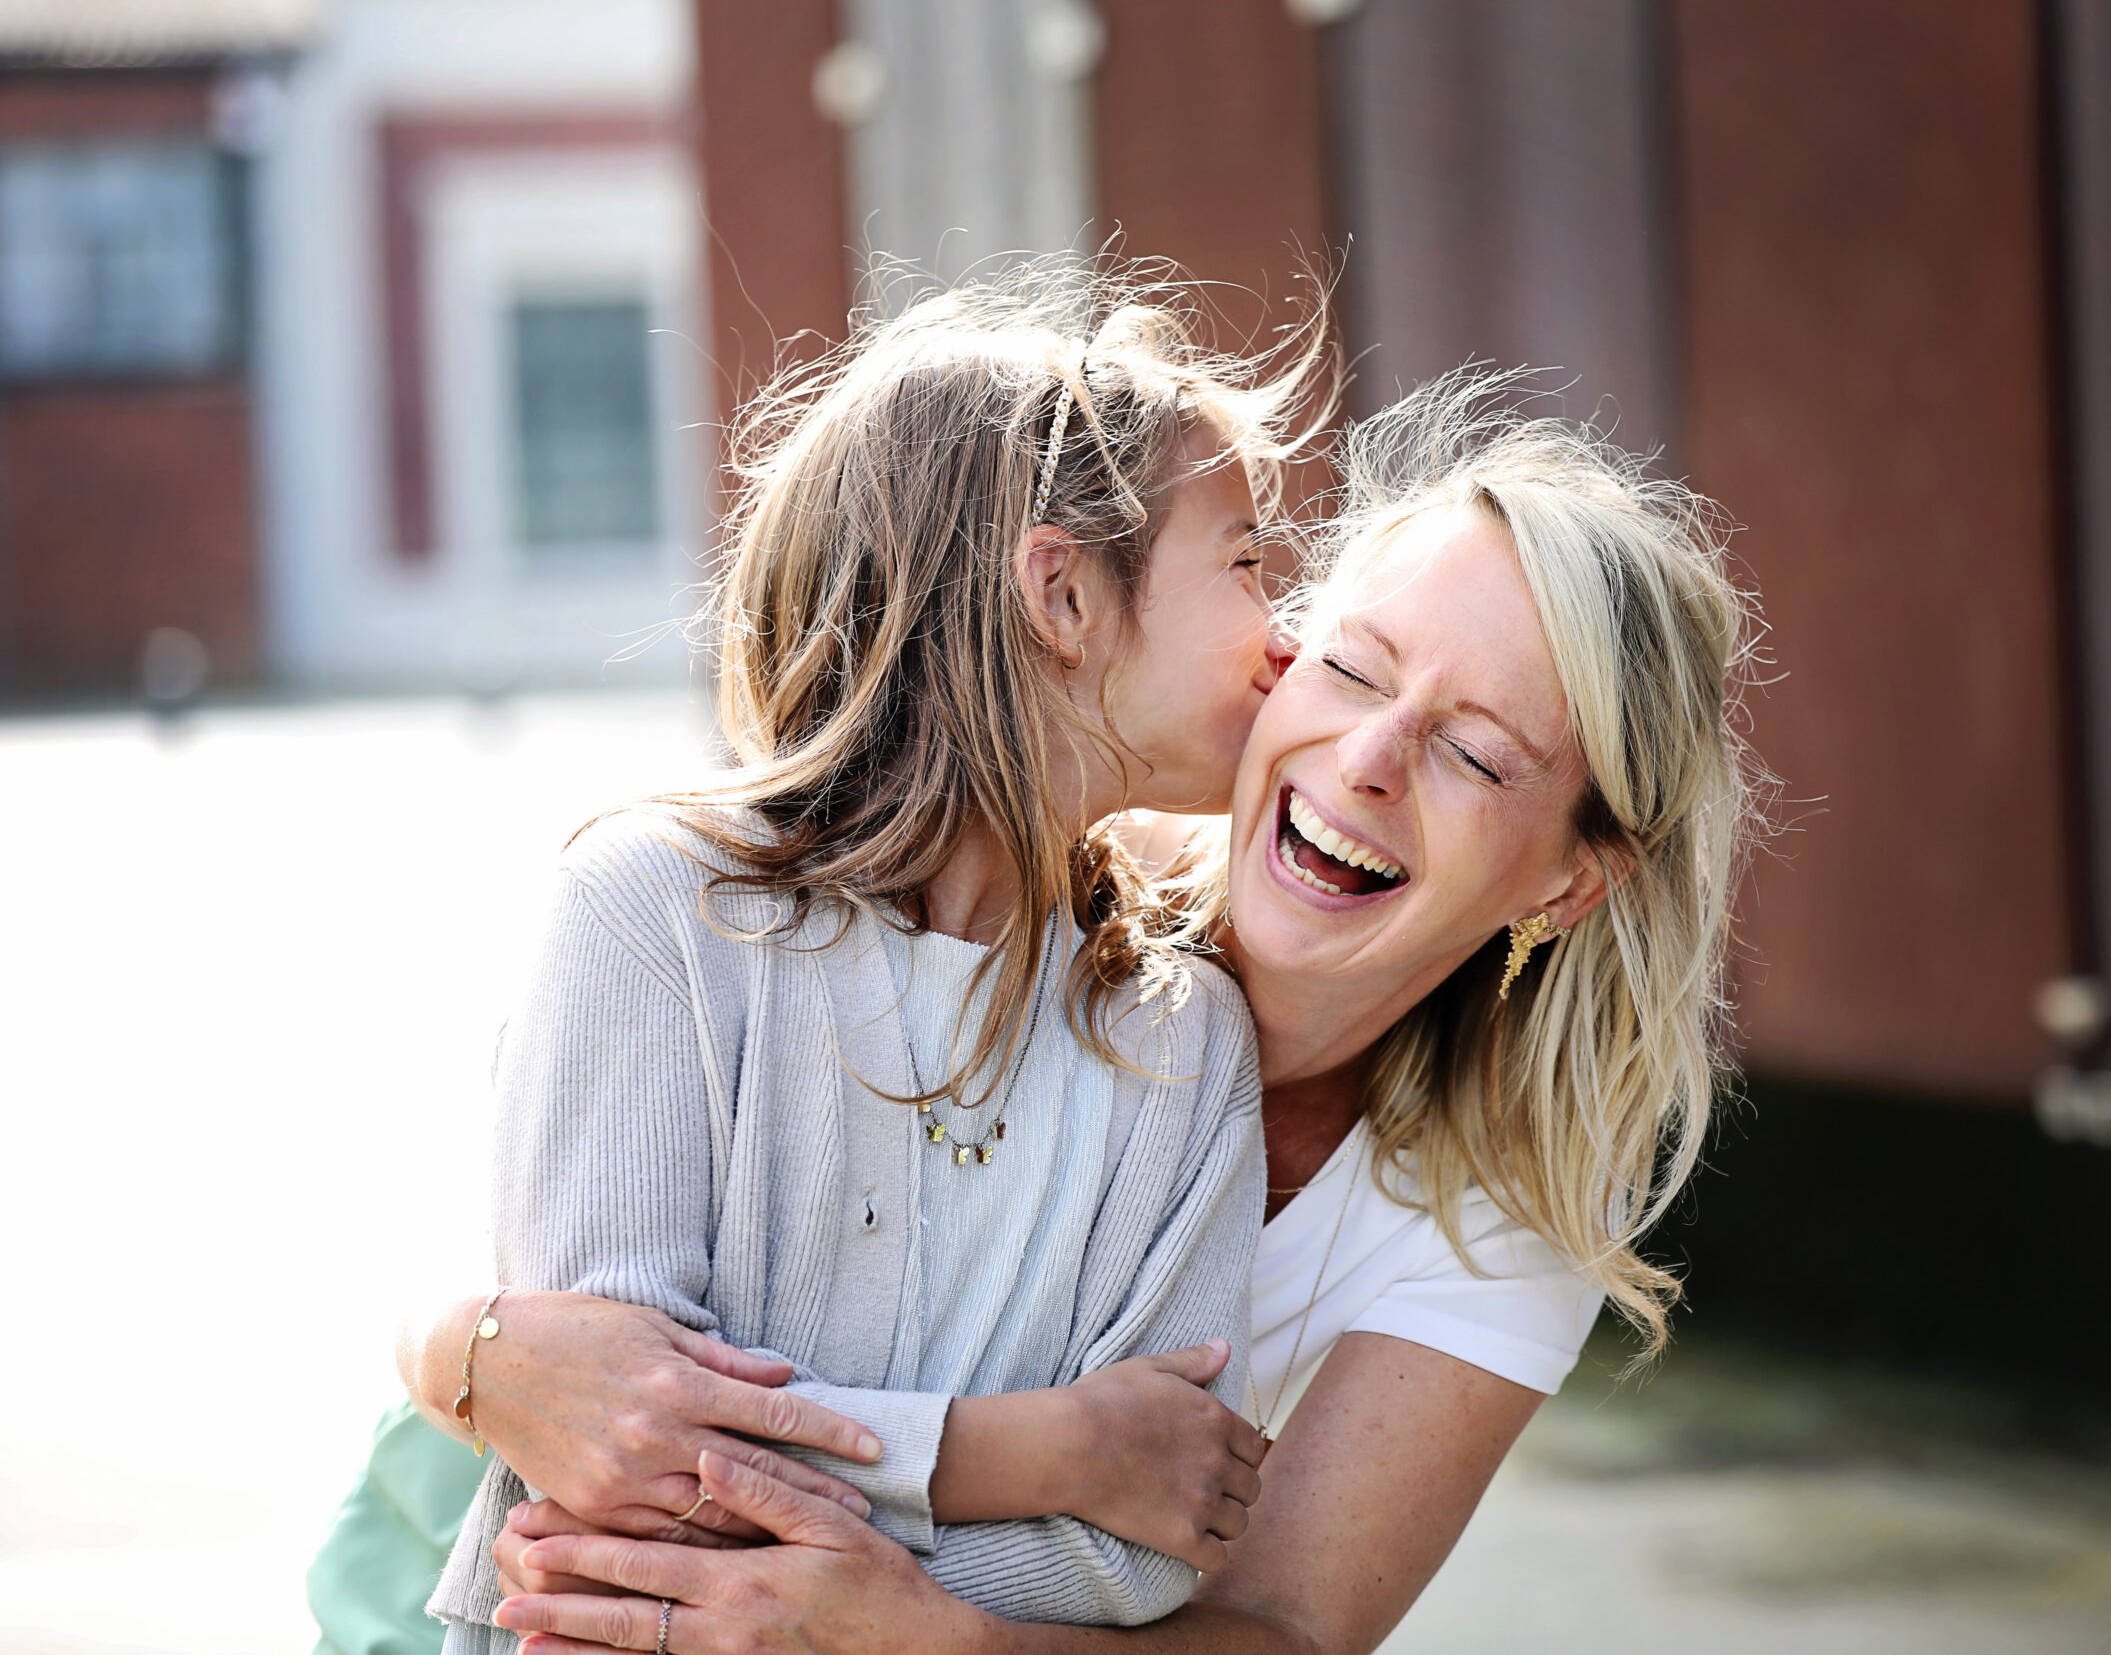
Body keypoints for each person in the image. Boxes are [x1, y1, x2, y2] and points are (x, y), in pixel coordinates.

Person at [450, 370, 1760, 1655]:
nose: (1370, 763)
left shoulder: (1222, 1075)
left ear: (1574, 877)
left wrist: (919, 1638)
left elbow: (1241, 1609)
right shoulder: (793, 910)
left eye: (1478, 754)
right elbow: (589, 1395)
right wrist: (456, 1345)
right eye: (1352, 668)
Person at [312, 260, 1340, 1655]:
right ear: (1064, 593)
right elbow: (620, 1491)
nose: (1289, 642)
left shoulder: (1188, 1040)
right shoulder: (652, 915)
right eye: (1244, 563)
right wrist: (1027, 1457)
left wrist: (853, 1608)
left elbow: (1139, 1552)